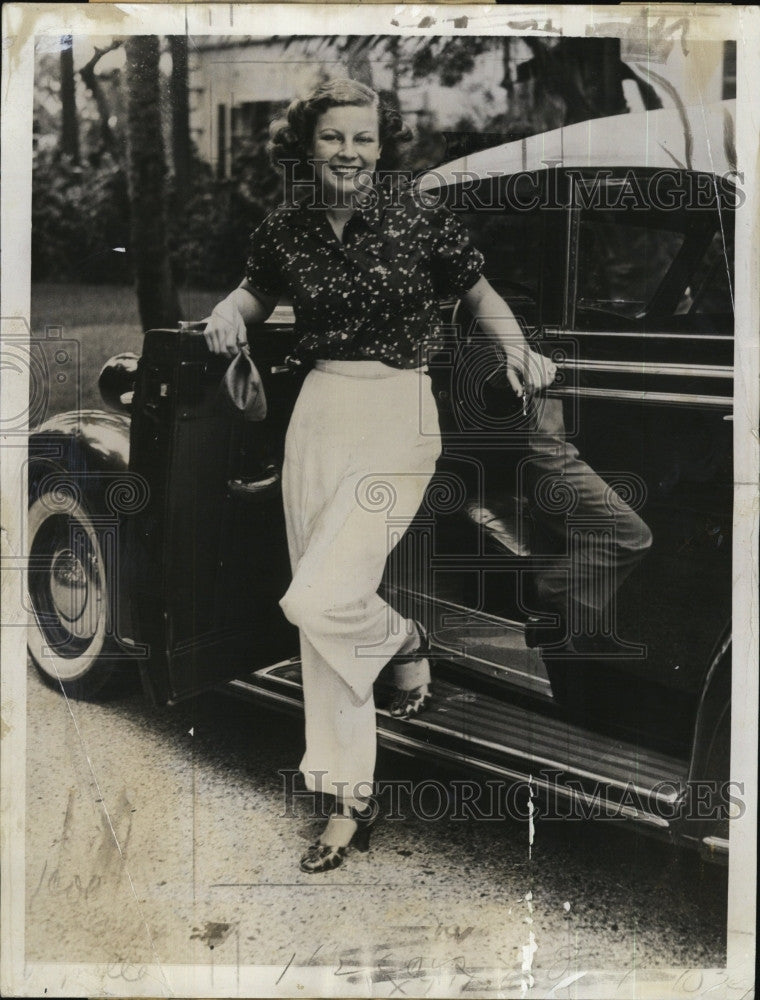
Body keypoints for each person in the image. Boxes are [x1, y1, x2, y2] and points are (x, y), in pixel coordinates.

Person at [204, 78, 557, 873]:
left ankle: (404, 638)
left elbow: (479, 292)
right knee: (321, 619)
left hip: (399, 414)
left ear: (381, 144)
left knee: (323, 598)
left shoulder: (418, 214)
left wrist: (514, 347)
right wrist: (229, 310)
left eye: (364, 139)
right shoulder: (286, 227)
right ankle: (347, 800)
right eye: (334, 138)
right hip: (320, 413)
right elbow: (256, 295)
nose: (351, 154)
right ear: (307, 144)